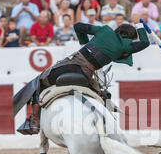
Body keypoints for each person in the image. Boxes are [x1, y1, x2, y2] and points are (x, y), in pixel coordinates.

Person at [14, 18, 150, 134]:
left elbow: (78, 26)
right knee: (104, 95)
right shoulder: (125, 46)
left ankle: (34, 120)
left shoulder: (106, 30)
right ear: (130, 38)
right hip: (86, 75)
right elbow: (145, 42)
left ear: (118, 30)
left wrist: (84, 42)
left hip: (69, 65)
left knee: (39, 82)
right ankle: (108, 125)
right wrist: (140, 26)